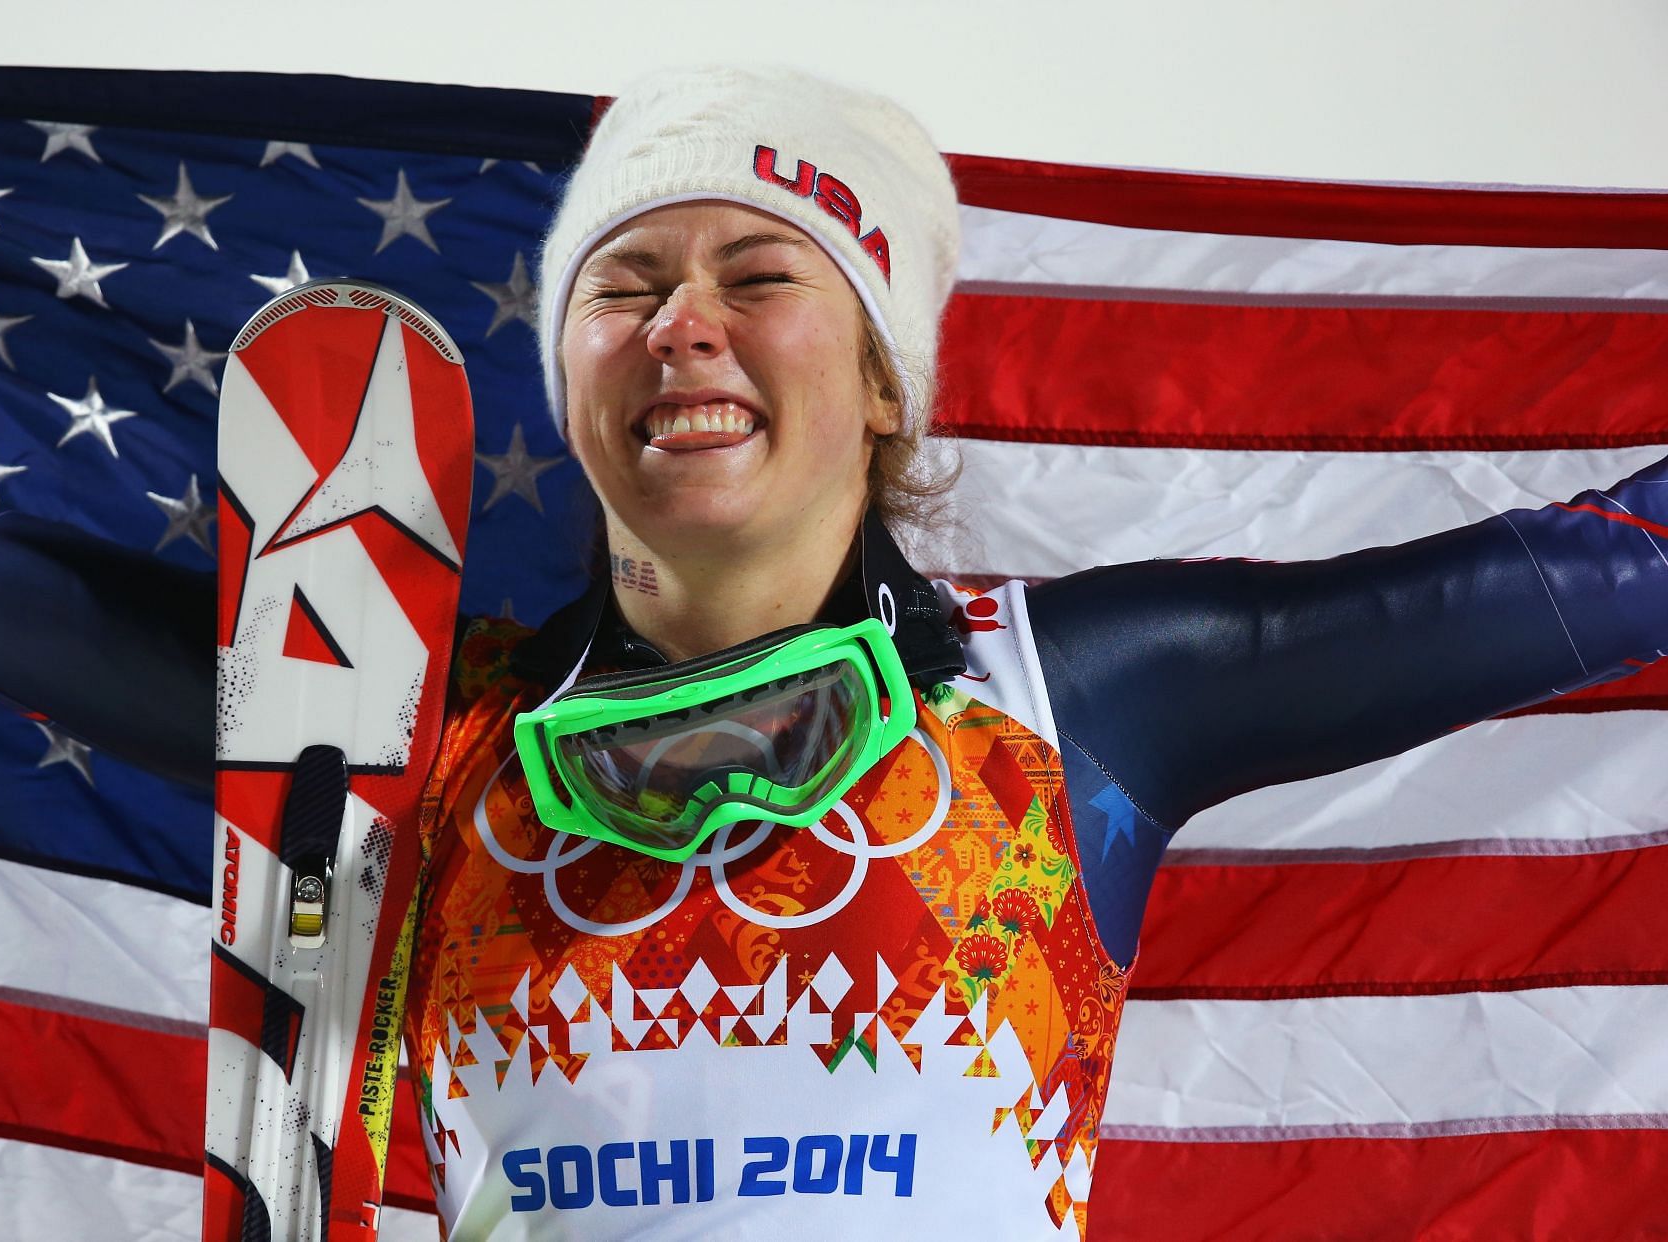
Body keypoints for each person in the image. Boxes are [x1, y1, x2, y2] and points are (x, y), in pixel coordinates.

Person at [395, 66, 1668, 1239]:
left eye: (760, 275)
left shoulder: (1066, 700)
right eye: (622, 286)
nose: (681, 323)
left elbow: (1611, 575)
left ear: (885, 381)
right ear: (567, 386)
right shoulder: (410, 730)